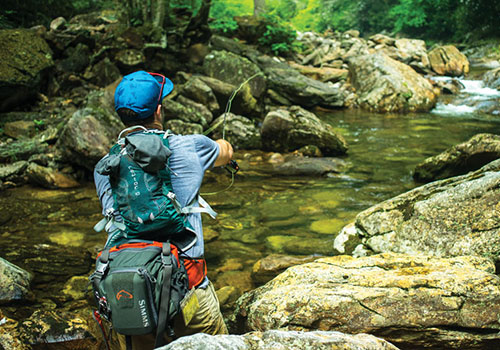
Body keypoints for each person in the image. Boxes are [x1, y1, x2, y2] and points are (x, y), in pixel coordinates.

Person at [94, 70, 233, 349]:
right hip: (189, 291)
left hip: (132, 293)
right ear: (158, 111)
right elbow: (225, 152)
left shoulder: (105, 165)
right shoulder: (190, 146)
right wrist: (221, 147)